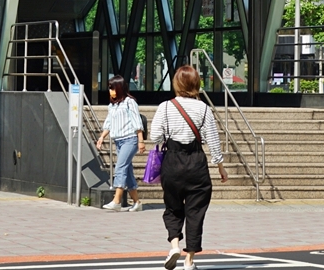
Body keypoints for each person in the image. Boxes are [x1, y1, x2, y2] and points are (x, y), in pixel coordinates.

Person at [149, 65, 227, 270]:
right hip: (196, 165)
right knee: (196, 212)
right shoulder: (204, 109)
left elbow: (155, 137)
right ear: (196, 84)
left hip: (172, 164)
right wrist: (220, 167)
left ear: (176, 83)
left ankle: (174, 245)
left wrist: (169, 131)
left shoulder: (165, 106)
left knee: (173, 208)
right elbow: (213, 140)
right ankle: (189, 260)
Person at [95, 75, 145, 212]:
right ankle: (137, 202)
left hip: (130, 139)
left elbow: (137, 121)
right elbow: (109, 122)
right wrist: (102, 137)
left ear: (119, 88)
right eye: (109, 88)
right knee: (127, 172)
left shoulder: (129, 102)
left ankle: (116, 200)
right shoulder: (112, 105)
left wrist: (141, 140)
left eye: (112, 88)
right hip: (118, 141)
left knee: (120, 167)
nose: (111, 91)